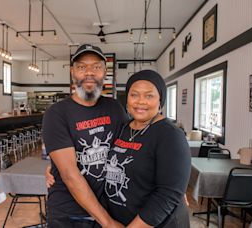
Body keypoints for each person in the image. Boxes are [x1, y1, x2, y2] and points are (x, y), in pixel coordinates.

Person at [42, 44, 127, 227]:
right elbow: (70, 175)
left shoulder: (115, 108)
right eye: (82, 67)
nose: (89, 73)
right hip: (69, 215)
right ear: (73, 72)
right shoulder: (56, 113)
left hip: (109, 208)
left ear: (105, 72)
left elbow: (133, 148)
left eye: (96, 67)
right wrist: (109, 224)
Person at [104, 70, 191, 227]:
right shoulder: (123, 128)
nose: (140, 101)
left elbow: (168, 195)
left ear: (160, 100)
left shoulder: (171, 135)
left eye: (149, 95)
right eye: (134, 94)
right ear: (127, 99)